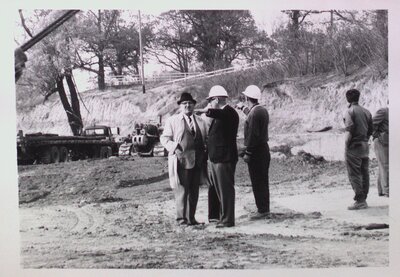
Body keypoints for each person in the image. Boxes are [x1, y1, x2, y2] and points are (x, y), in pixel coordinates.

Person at [160, 91, 209, 226]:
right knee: (182, 190)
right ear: (180, 106)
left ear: (194, 105)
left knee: (194, 191)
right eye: (184, 103)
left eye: (190, 103)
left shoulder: (200, 120)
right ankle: (181, 220)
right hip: (181, 160)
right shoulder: (173, 120)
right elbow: (164, 138)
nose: (187, 105)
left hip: (198, 160)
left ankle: (191, 218)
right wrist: (175, 147)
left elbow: (206, 138)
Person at [197, 85, 239, 228]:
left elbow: (219, 114)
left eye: (210, 100)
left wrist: (205, 111)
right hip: (217, 157)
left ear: (216, 99)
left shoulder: (229, 112)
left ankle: (227, 220)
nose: (209, 103)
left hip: (224, 158)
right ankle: (222, 217)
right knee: (219, 189)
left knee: (225, 189)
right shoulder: (223, 113)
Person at [238, 85, 271, 220]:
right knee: (263, 180)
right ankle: (264, 208)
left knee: (257, 181)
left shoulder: (254, 113)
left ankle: (262, 210)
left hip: (256, 151)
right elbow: (252, 116)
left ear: (247, 97)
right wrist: (243, 109)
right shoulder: (261, 110)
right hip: (263, 149)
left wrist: (248, 153)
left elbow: (252, 134)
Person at [343, 89, 373, 210]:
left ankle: (360, 200)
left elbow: (349, 130)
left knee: (354, 173)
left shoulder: (350, 111)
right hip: (365, 145)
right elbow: (371, 130)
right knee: (364, 172)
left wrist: (346, 145)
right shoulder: (367, 111)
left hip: (354, 146)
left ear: (347, 99)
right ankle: (363, 198)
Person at [372, 102, 389, 197]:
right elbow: (371, 123)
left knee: (383, 165)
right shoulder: (383, 111)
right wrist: (376, 135)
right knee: (385, 165)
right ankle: (388, 190)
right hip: (381, 142)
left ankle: (381, 190)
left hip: (388, 141)